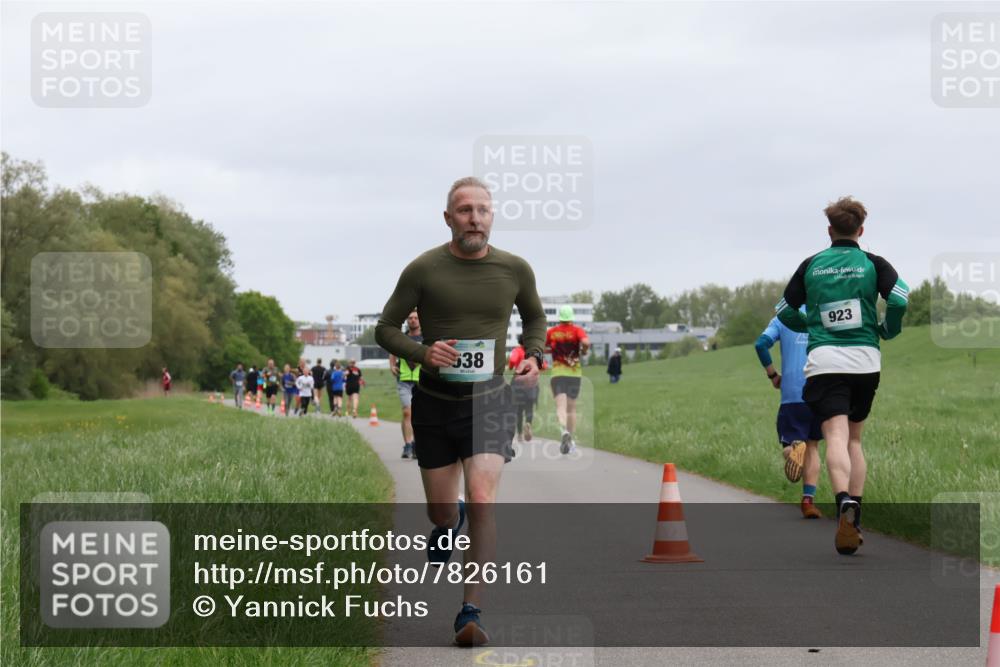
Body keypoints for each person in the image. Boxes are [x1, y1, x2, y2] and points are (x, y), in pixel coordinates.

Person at [374, 176, 545, 647]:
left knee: (485, 498)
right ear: (448, 218)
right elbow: (385, 328)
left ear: (492, 216)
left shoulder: (514, 269)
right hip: (434, 402)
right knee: (441, 511)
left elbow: (534, 317)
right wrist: (422, 352)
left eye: (483, 210)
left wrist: (533, 353)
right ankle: (450, 524)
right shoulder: (423, 269)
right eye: (465, 210)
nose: (475, 218)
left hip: (489, 400)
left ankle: (471, 610)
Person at [776, 196, 908, 555]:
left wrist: (809, 323)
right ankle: (857, 515)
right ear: (861, 230)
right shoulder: (872, 262)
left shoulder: (812, 264)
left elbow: (784, 309)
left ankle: (843, 502)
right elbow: (899, 299)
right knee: (854, 440)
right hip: (866, 361)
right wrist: (887, 328)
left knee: (833, 435)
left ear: (830, 230)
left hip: (825, 361)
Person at [755, 306, 824, 519]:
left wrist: (773, 375)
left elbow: (761, 345)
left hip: (792, 394)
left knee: (791, 444)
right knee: (813, 446)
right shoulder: (822, 312)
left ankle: (794, 448)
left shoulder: (782, 317)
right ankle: (808, 501)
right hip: (821, 390)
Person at [545, 306, 591, 455]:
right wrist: (583, 351)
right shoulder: (577, 330)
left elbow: (540, 345)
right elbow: (586, 343)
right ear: (571, 317)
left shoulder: (552, 332)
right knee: (571, 408)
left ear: (560, 317)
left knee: (560, 406)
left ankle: (563, 431)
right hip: (574, 374)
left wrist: (551, 350)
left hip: (558, 373)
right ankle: (569, 438)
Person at [389, 310, 423, 459]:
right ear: (406, 321)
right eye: (410, 318)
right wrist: (391, 365)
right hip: (404, 379)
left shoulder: (427, 337)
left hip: (422, 381)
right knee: (407, 412)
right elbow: (392, 351)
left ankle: (417, 444)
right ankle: (408, 445)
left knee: (420, 414)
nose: (413, 320)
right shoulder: (401, 337)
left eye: (416, 318)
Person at [507, 334, 539, 447]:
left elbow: (512, 361)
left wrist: (511, 366)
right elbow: (543, 365)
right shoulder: (533, 354)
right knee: (529, 408)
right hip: (531, 383)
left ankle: (520, 434)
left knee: (518, 410)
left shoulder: (517, 350)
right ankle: (528, 423)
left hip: (518, 382)